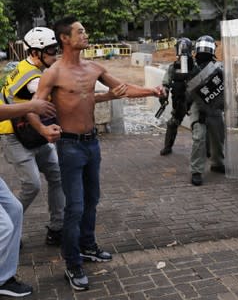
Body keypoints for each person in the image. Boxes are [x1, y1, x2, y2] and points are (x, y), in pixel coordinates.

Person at [28, 16, 165, 291]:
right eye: (80, 31)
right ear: (65, 38)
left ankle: (88, 246)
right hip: (69, 146)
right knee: (75, 206)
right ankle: (72, 262)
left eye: (85, 30)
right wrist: (44, 132)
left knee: (92, 199)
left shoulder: (94, 68)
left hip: (92, 144)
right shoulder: (53, 73)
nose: (85, 35)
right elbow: (33, 107)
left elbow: (122, 89)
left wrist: (152, 89)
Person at [0, 27, 65, 246]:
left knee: (57, 175)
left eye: (56, 50)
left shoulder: (26, 66)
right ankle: (8, 227)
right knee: (32, 185)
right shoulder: (34, 77)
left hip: (32, 133)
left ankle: (57, 227)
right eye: (50, 51)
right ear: (36, 52)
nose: (54, 55)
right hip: (13, 135)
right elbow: (32, 106)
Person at [0, 99, 56, 298]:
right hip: (16, 138)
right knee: (4, 227)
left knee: (14, 209)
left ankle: (4, 279)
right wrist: (31, 108)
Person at [187, 35, 225, 186]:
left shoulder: (218, 68)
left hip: (215, 106)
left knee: (218, 137)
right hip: (198, 107)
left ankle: (217, 163)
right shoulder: (190, 69)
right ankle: (196, 170)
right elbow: (187, 91)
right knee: (199, 138)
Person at [159, 37, 195, 156]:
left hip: (195, 102)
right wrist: (164, 94)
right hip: (180, 101)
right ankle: (167, 147)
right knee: (172, 123)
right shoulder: (173, 68)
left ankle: (208, 151)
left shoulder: (196, 66)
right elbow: (165, 83)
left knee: (200, 126)